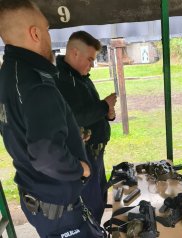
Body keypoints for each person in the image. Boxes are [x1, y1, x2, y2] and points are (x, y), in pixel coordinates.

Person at [0, 0, 102, 237]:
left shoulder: (8, 75)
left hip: (40, 199)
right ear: (35, 33)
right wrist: (81, 168)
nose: (49, 35)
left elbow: (25, 133)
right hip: (58, 209)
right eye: (46, 29)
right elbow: (45, 155)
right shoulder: (36, 85)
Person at [55, 31, 117, 223]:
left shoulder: (80, 76)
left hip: (96, 153)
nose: (92, 64)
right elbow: (74, 118)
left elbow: (88, 110)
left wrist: (107, 114)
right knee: (89, 207)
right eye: (90, 59)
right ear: (74, 53)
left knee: (99, 198)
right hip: (82, 156)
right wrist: (104, 105)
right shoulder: (60, 80)